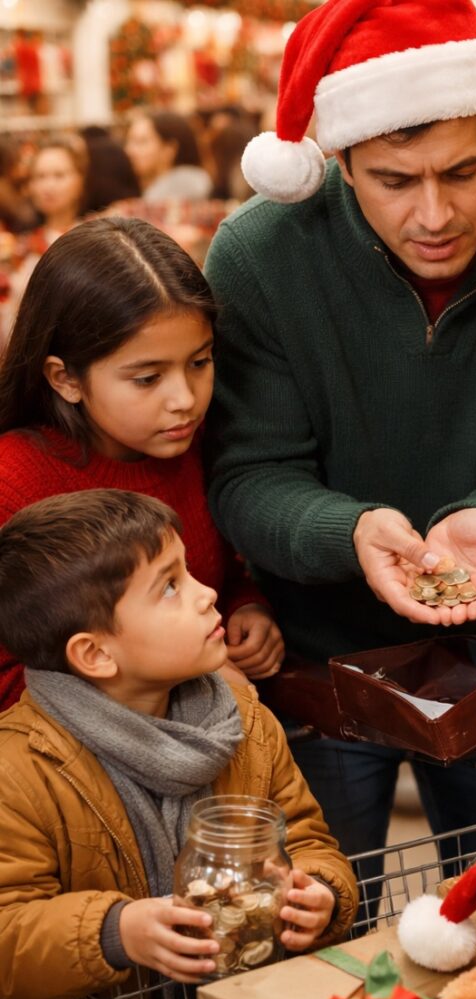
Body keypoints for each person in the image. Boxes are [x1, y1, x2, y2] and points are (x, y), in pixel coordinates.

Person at [205, 0, 476, 858]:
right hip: (314, 669)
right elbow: (246, 474)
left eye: (463, 173)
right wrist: (351, 533)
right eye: (394, 180)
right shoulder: (258, 257)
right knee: (315, 946)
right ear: (340, 161)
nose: (434, 215)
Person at [0, 489, 357, 999]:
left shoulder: (245, 719)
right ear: (95, 653)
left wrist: (320, 892)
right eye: (169, 587)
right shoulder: (17, 768)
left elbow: (304, 837)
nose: (207, 593)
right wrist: (114, 931)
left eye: (187, 571)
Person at [0, 217, 284, 711]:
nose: (184, 400)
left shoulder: (195, 445)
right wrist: (188, 676)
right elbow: (10, 679)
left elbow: (216, 571)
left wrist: (244, 607)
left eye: (200, 362)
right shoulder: (13, 482)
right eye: (148, 378)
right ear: (64, 378)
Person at [0, 136, 87, 345]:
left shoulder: (94, 239)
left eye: (59, 175)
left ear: (80, 181)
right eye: (40, 177)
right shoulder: (21, 247)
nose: (48, 186)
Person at [125, 112, 212, 201]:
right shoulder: (152, 188)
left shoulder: (181, 188)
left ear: (169, 149)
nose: (129, 150)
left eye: (141, 142)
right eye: (129, 141)